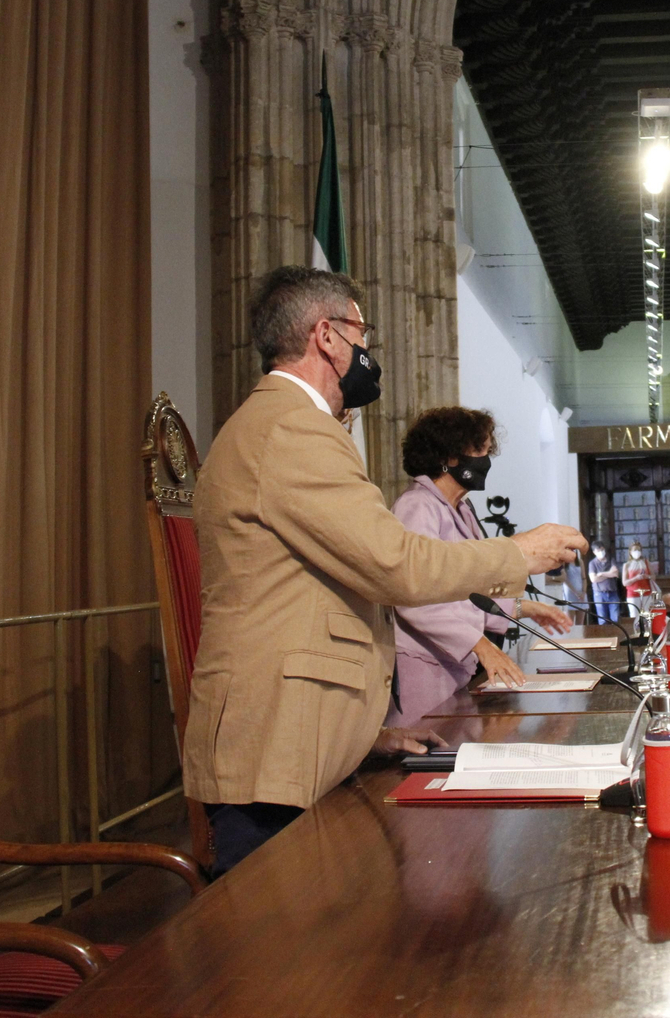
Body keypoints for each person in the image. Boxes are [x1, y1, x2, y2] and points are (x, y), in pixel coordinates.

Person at [181, 266, 586, 876]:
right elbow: (394, 565)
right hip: (276, 750)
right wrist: (520, 553)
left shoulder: (281, 424)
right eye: (362, 333)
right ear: (327, 335)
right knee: (283, 963)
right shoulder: (292, 426)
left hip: (304, 737)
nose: (367, 351)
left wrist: (365, 736)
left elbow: (304, 595)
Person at [385, 406, 573, 726]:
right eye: (479, 450)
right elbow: (415, 598)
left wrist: (522, 607)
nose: (485, 460)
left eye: (488, 450)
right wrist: (481, 646)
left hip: (452, 664)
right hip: (422, 665)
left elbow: (470, 589)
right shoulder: (417, 507)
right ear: (449, 455)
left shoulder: (462, 509)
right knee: (427, 758)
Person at [588, 542, 621, 624]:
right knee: (602, 619)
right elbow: (594, 579)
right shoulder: (592, 563)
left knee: (615, 618)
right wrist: (609, 573)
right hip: (599, 594)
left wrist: (601, 574)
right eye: (598, 550)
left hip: (612, 592)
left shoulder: (611, 559)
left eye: (602, 550)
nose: (601, 552)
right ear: (594, 552)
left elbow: (616, 574)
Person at [623, 542, 654, 608]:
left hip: (647, 593)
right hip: (633, 594)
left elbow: (653, 577)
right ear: (630, 552)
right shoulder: (627, 565)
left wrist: (647, 576)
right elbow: (625, 583)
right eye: (635, 550)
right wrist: (636, 578)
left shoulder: (646, 562)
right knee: (634, 615)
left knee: (646, 615)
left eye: (639, 550)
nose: (637, 552)